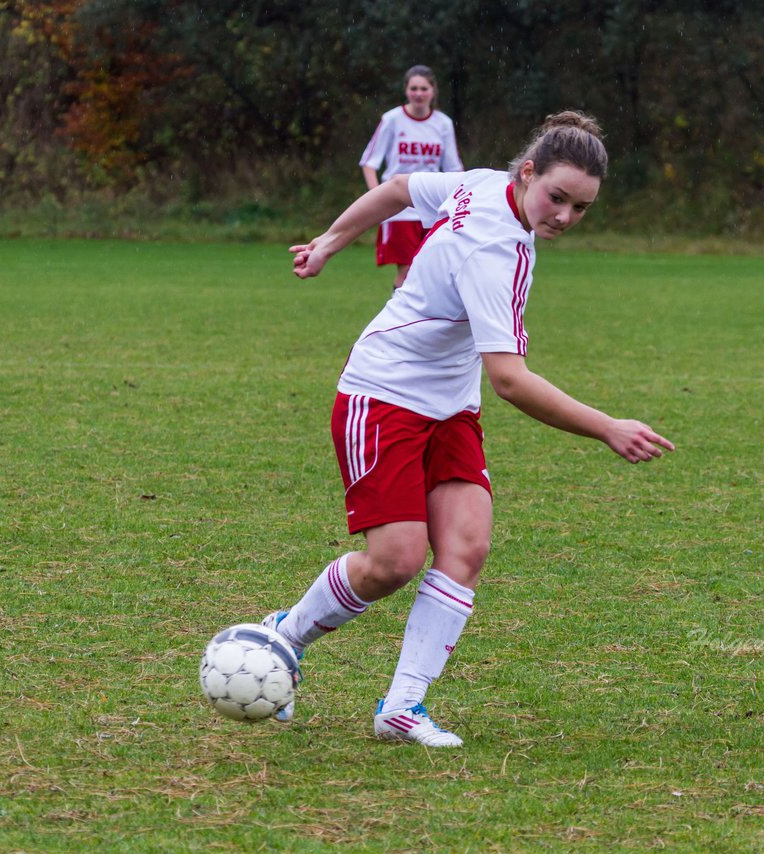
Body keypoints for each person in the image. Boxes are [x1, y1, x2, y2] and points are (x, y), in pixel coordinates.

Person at [269, 111, 675, 748]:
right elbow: (510, 380)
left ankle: (402, 706)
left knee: (466, 547)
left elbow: (402, 187)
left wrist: (330, 241)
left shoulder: (486, 186)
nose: (565, 216)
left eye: (582, 208)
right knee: (394, 562)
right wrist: (606, 427)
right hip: (384, 395)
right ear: (529, 172)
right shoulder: (498, 247)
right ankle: (283, 638)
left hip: (450, 404)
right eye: (558, 198)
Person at [359, 65, 463, 289]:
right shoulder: (392, 120)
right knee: (406, 272)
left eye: (423, 88)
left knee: (433, 272)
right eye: (413, 88)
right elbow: (369, 162)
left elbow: (454, 168)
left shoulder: (442, 123)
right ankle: (399, 320)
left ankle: (424, 321)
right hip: (400, 209)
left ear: (433, 91)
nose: (418, 93)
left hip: (432, 206)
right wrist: (377, 197)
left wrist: (458, 204)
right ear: (406, 90)